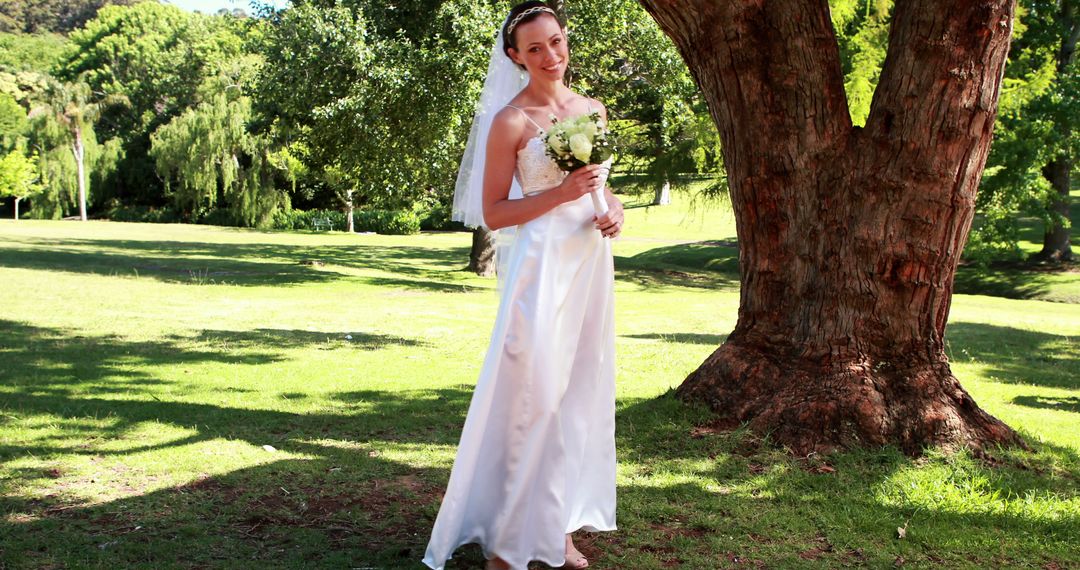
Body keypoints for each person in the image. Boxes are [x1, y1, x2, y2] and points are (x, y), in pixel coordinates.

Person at [422, 2, 624, 569]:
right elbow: (493, 211)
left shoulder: (591, 109)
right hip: (540, 269)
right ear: (515, 56)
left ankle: (556, 529)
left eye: (556, 42)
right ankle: (508, 540)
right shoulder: (510, 120)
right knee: (532, 398)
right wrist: (560, 196)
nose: (550, 56)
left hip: (588, 264)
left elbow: (601, 188)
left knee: (576, 394)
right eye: (534, 48)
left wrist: (614, 210)